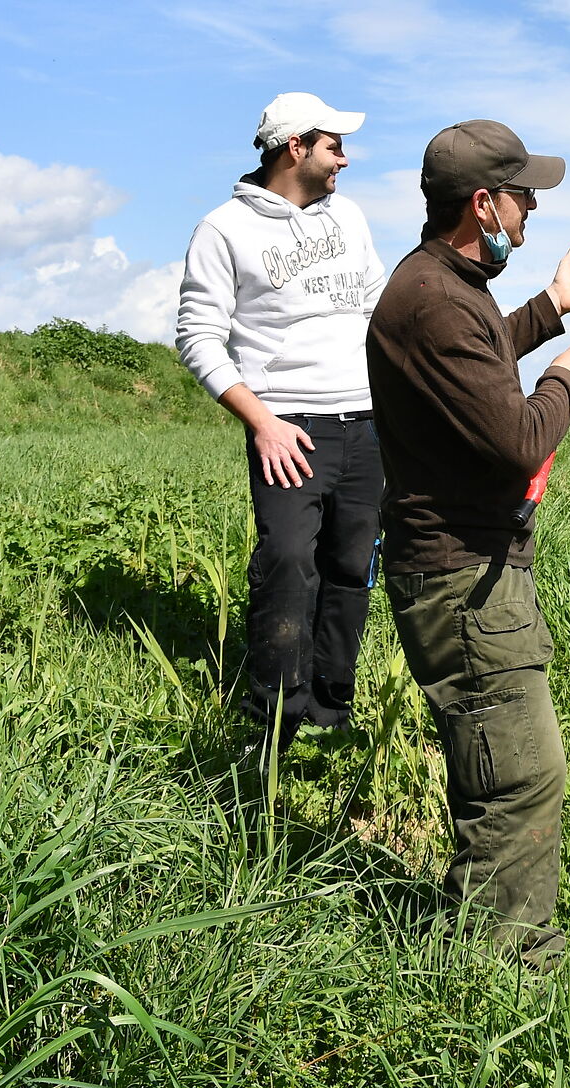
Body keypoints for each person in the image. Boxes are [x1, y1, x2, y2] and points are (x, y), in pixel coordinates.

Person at [365, 118, 570, 967]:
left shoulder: (443, 285)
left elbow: (474, 363)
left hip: (470, 570)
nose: (532, 211)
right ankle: (506, 975)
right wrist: (567, 378)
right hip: (464, 581)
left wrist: (553, 310)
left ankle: (479, 950)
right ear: (482, 203)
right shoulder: (435, 297)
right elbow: (517, 439)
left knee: (505, 772)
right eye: (523, 196)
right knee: (517, 780)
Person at [176, 92, 387, 749]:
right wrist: (262, 422)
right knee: (290, 562)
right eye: (333, 147)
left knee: (352, 565)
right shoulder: (223, 230)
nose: (344, 160)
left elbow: (378, 308)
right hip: (289, 423)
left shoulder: (348, 216)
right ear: (295, 147)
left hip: (367, 418)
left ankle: (331, 708)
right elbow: (197, 338)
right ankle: (274, 720)